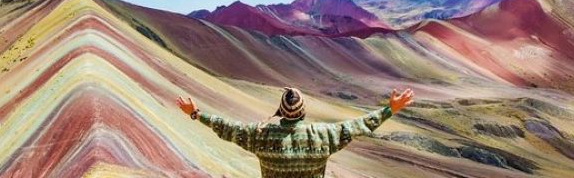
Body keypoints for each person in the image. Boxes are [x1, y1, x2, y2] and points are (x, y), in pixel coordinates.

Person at [176, 86, 414, 178]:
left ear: (280, 111)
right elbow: (359, 126)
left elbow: (228, 128)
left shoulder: (260, 136)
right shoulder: (323, 135)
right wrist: (389, 109)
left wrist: (196, 114)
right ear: (303, 112)